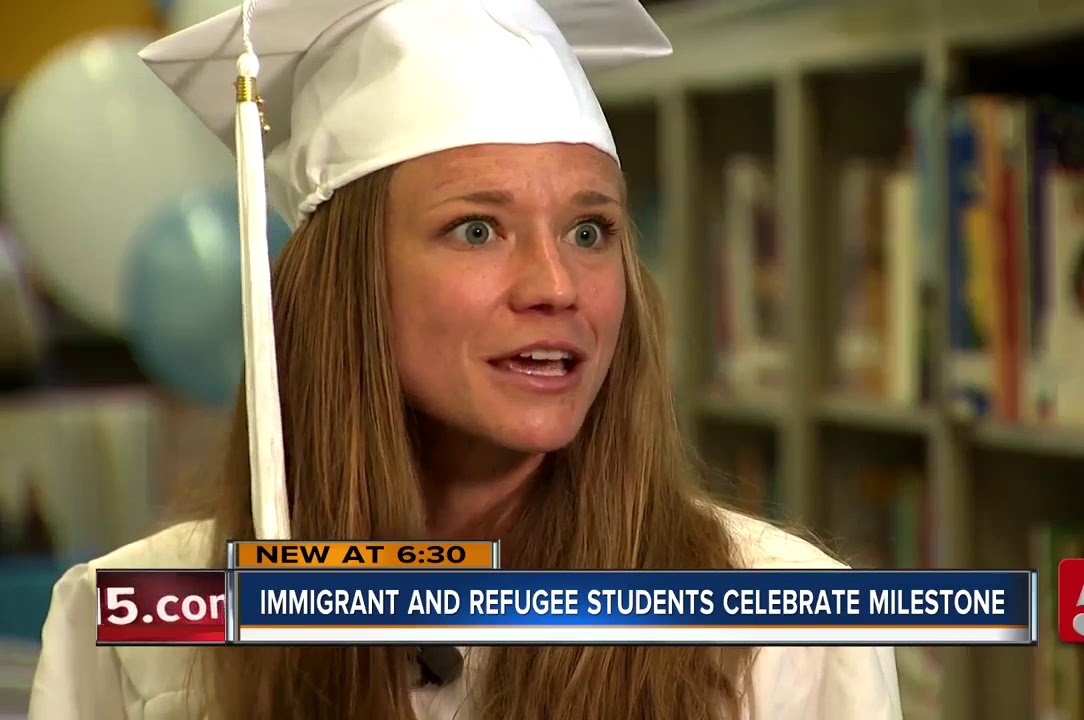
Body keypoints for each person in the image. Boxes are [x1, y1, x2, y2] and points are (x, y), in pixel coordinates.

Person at [27, 1, 903, 718]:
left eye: (589, 230)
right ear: (349, 285)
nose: (557, 285)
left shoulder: (787, 630)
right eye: (477, 229)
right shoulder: (139, 625)